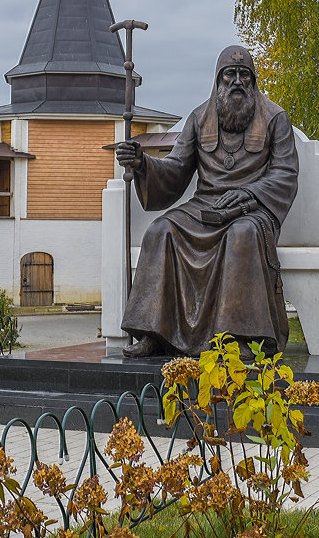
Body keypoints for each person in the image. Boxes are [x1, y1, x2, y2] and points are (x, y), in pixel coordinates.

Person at [116, 45, 299, 358]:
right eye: (230, 75)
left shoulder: (275, 118)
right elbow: (175, 168)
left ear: (254, 82)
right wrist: (143, 164)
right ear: (218, 81)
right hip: (204, 208)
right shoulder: (199, 118)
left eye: (245, 75)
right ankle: (153, 333)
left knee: (241, 234)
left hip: (251, 211)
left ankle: (240, 338)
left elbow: (285, 173)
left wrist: (251, 192)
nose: (237, 81)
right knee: (160, 231)